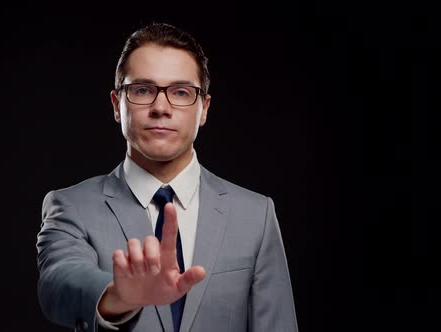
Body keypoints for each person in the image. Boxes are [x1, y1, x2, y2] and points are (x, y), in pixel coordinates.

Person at [36, 22, 298, 332]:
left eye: (181, 92)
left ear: (203, 109)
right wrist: (117, 297)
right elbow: (59, 283)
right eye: (143, 90)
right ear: (117, 105)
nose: (161, 107)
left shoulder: (256, 215)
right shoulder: (70, 206)